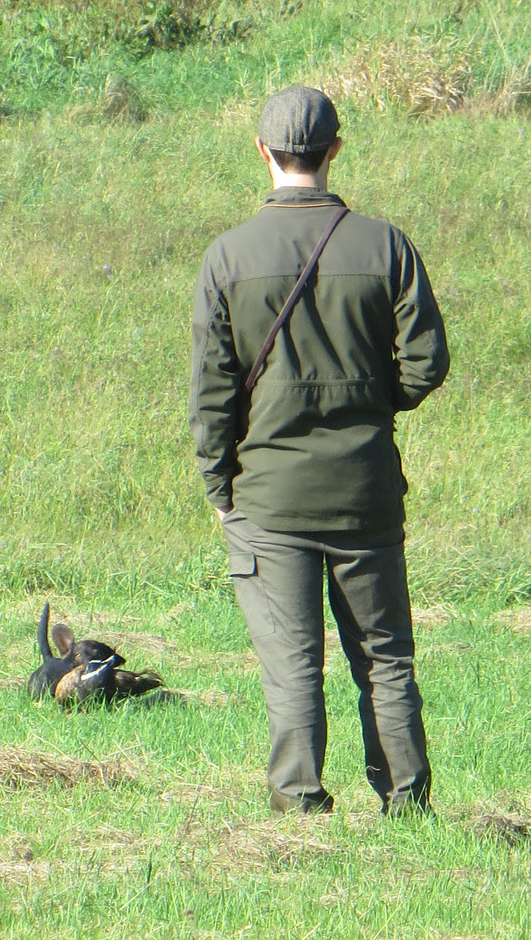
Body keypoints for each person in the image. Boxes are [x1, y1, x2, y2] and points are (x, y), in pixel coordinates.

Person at [190, 86, 450, 815]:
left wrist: (220, 488)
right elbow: (427, 363)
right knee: (386, 660)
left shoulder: (227, 257)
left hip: (268, 497)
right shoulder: (384, 245)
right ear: (336, 149)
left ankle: (300, 805)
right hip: (365, 491)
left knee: (293, 664)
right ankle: (406, 801)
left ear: (262, 152)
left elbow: (211, 394)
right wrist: (371, 406)